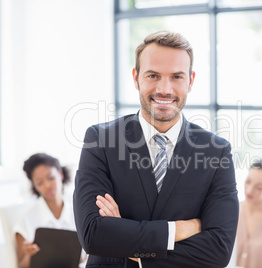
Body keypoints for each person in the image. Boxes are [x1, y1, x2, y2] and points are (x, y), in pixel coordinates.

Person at [73, 30, 239, 268]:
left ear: (191, 81)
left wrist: (128, 242)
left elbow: (218, 251)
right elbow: (93, 234)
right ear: (135, 77)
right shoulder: (101, 140)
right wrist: (176, 229)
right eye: (153, 75)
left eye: (176, 77)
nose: (165, 89)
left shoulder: (216, 151)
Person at [14, 153, 76, 268]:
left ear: (60, 174)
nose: (47, 185)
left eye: (50, 177)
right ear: (34, 186)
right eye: (40, 182)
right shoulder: (25, 220)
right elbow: (21, 266)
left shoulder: (77, 213)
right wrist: (28, 255)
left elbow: (85, 256)